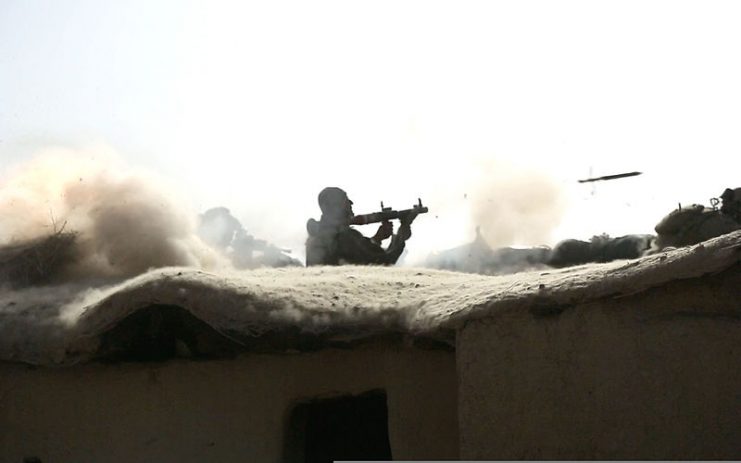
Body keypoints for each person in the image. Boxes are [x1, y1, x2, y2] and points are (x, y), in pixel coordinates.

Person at [305, 187, 416, 266]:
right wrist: (401, 236)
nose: (350, 203)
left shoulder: (316, 235)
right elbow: (383, 262)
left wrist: (377, 238)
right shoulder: (345, 236)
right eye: (345, 200)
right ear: (335, 206)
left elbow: (354, 255)